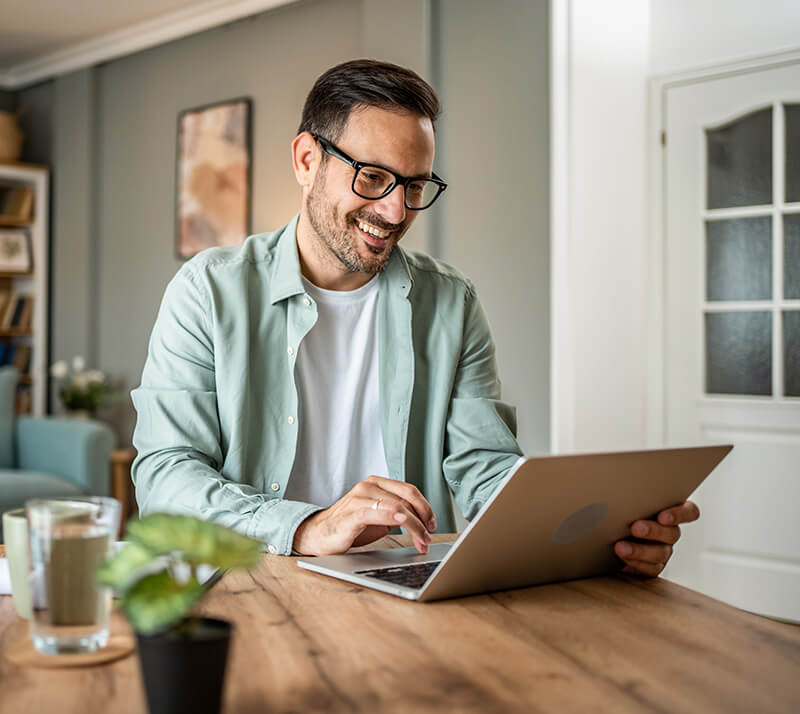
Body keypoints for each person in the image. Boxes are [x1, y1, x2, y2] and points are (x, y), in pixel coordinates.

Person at [131, 59, 697, 575]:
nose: (395, 210)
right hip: (253, 575)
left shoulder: (452, 301)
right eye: (372, 177)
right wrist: (307, 526)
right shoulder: (209, 289)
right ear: (307, 160)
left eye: (415, 184)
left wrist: (593, 538)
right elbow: (165, 475)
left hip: (402, 584)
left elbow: (484, 468)